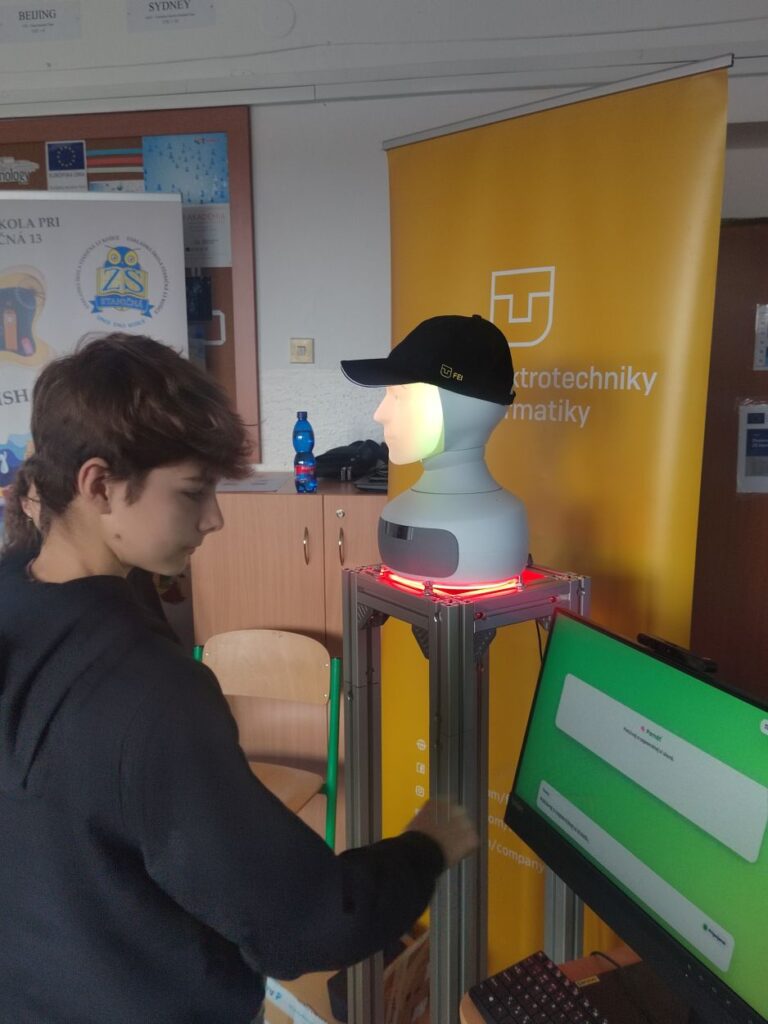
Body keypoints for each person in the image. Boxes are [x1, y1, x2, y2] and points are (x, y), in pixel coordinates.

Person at [0, 333, 477, 1024]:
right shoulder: (150, 693)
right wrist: (426, 847)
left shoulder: (17, 594)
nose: (215, 517)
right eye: (193, 493)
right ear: (98, 485)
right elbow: (307, 922)